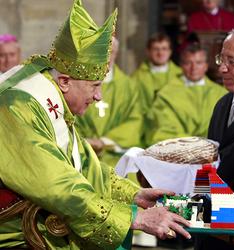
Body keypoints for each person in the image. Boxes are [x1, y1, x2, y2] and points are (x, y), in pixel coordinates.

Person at [0, 1, 191, 249]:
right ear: (66, 81)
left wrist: (133, 194)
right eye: (95, 86)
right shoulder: (19, 106)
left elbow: (85, 163)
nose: (99, 96)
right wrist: (134, 217)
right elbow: (56, 184)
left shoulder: (51, 94)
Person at [195, 27, 234, 250]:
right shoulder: (222, 104)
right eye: (221, 59)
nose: (222, 67)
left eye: (232, 61)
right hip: (209, 231)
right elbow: (210, 166)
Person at [75, 37, 142, 167]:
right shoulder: (79, 82)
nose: (106, 57)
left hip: (117, 157)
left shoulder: (128, 85)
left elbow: (135, 119)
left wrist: (105, 141)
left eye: (110, 52)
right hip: (84, 154)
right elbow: (70, 116)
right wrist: (84, 141)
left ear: (116, 54)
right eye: (101, 52)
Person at [145, 44, 226, 146]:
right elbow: (164, 128)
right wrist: (194, 143)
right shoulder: (166, 94)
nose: (194, 68)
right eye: (188, 63)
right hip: (179, 150)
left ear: (206, 66)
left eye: (198, 63)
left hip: (214, 150)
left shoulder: (221, 93)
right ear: (181, 66)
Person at [132, 33, 181, 115]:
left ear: (170, 52)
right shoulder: (137, 77)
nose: (160, 53)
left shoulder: (180, 75)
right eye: (156, 49)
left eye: (164, 49)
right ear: (148, 51)